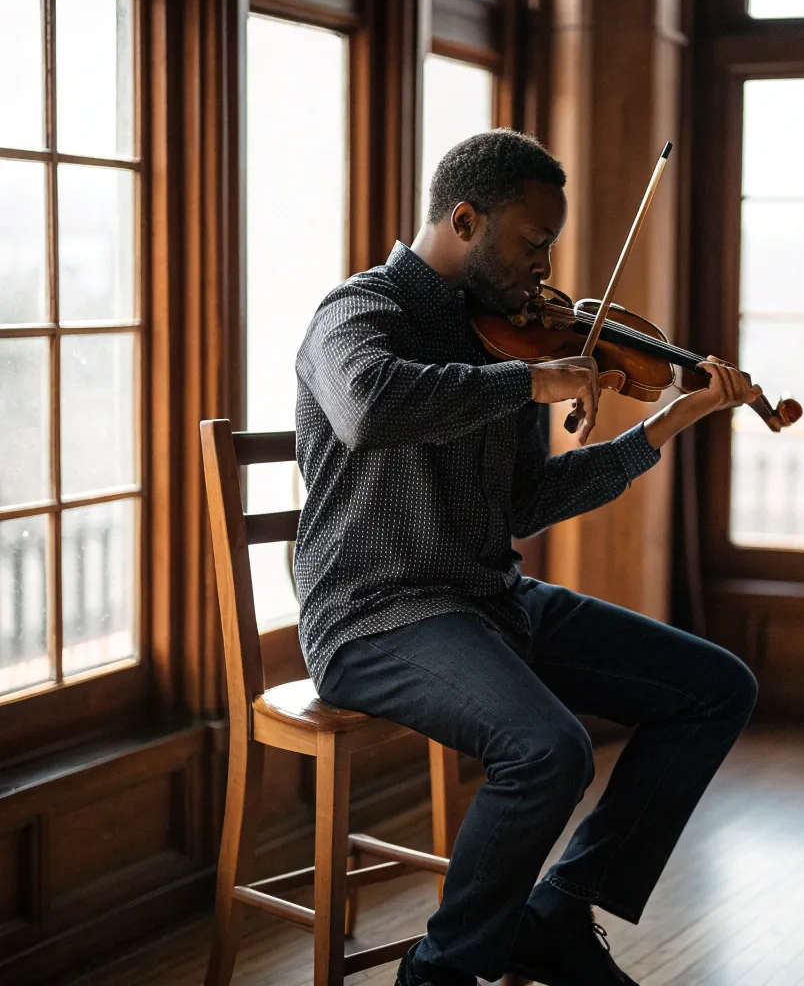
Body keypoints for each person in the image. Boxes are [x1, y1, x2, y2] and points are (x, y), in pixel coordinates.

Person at [294, 129, 761, 986]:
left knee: (714, 688)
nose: (544, 270)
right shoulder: (360, 312)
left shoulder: (507, 335)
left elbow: (524, 502)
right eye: (532, 243)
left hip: (487, 602)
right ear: (465, 219)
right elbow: (366, 406)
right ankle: (438, 973)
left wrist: (661, 428)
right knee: (550, 749)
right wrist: (534, 384)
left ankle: (556, 913)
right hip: (376, 615)